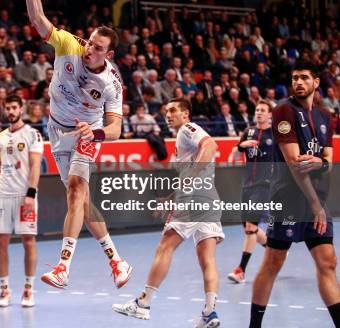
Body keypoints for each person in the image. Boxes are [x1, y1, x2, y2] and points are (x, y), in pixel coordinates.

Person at [20, 0, 132, 290]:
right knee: (83, 203)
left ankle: (63, 267)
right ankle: (117, 260)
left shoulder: (112, 83)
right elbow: (37, 18)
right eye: (90, 42)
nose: (89, 50)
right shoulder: (69, 44)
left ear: (108, 54)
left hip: (87, 133)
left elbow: (115, 130)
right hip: (55, 129)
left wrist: (94, 132)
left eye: (98, 48)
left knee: (75, 191)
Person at [113, 98, 223, 327]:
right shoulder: (182, 139)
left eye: (173, 110)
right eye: (166, 111)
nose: (168, 115)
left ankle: (143, 304)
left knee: (165, 247)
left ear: (186, 113)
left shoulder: (188, 129)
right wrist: (169, 199)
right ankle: (210, 312)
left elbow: (210, 146)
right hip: (209, 199)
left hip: (193, 199)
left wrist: (190, 179)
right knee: (207, 258)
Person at [249, 61, 340, 328]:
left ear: (316, 83)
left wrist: (321, 164)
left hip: (317, 200)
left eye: (304, 78)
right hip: (288, 199)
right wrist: (316, 206)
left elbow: (328, 159)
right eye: (294, 78)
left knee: (328, 261)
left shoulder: (325, 115)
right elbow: (294, 163)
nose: (298, 82)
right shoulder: (284, 111)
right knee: (274, 261)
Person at [0, 94, 43, 307]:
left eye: (15, 107)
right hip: (2, 196)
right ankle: (4, 290)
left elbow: (35, 165)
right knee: (0, 242)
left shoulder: (33, 134)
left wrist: (31, 194)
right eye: (8, 108)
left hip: (25, 197)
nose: (11, 111)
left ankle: (28, 289)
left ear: (21, 109)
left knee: (28, 241)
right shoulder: (1, 137)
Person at [227, 100, 273, 284]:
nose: (259, 112)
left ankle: (241, 270)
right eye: (257, 110)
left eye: (263, 110)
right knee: (249, 228)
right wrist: (242, 146)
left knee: (250, 228)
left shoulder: (275, 134)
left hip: (265, 185)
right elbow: (236, 154)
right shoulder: (248, 132)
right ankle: (272, 247)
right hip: (247, 185)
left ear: (270, 114)